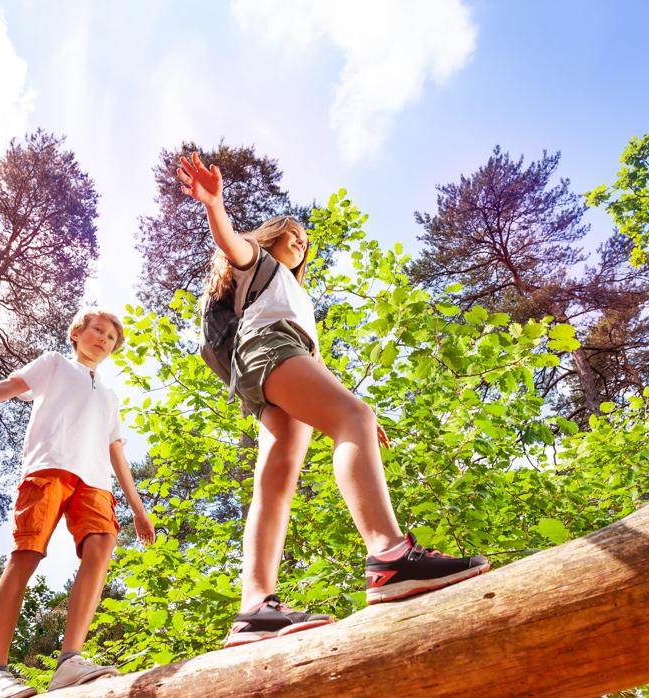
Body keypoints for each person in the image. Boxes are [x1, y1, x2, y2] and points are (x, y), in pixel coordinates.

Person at [177, 151, 490, 648]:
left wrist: (350, 412)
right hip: (269, 351)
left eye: (305, 241)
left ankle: (254, 607)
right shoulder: (258, 266)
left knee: (276, 482)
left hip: (267, 369)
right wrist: (215, 205)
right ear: (269, 240)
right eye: (291, 235)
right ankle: (389, 557)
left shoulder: (292, 293)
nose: (300, 243)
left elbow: (313, 363)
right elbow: (231, 243)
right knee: (351, 420)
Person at [0, 307, 155, 697]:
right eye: (97, 331)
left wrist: (137, 507)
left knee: (102, 545)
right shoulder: (54, 365)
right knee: (27, 554)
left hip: (94, 481)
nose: (104, 339)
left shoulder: (111, 396)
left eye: (111, 338)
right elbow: (8, 387)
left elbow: (116, 451)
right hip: (49, 468)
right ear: (77, 333)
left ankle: (70, 661)